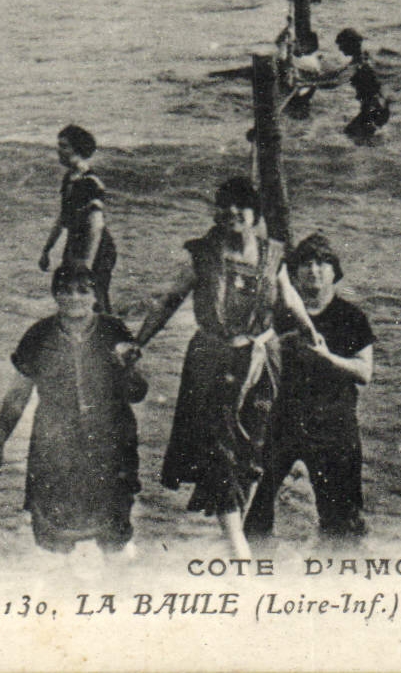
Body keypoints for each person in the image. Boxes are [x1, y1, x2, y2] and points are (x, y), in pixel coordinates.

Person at [134, 177, 321, 559]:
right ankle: (240, 552)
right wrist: (140, 341)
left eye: (241, 206)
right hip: (213, 359)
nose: (232, 213)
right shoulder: (203, 254)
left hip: (262, 360)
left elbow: (288, 298)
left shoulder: (273, 255)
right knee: (220, 448)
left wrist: (311, 329)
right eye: (224, 206)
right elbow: (169, 300)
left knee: (254, 445)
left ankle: (234, 531)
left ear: (255, 215)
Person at [0, 265, 147, 556]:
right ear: (54, 294)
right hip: (56, 448)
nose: (74, 298)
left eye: (83, 291)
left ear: (96, 294)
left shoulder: (114, 331)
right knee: (54, 537)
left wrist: (128, 367)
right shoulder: (39, 335)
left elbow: (138, 393)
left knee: (114, 533)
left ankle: (119, 592)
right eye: (65, 291)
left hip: (109, 445)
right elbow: (16, 397)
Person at [245, 234, 375, 545]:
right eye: (306, 264)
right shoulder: (281, 313)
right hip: (282, 422)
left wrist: (328, 359)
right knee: (254, 518)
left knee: (341, 524)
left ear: (334, 272)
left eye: (322, 263)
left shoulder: (350, 317)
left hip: (333, 426)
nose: (313, 270)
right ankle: (259, 579)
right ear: (294, 272)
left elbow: (364, 372)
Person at [39, 125, 117, 313]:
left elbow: (96, 226)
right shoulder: (70, 178)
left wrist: (88, 266)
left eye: (64, 146)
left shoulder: (89, 182)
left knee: (94, 297)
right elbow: (62, 218)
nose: (59, 150)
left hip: (96, 246)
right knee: (69, 293)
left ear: (77, 149)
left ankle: (112, 337)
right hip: (76, 244)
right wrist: (47, 250)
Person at [334, 28, 390, 139]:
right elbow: (338, 72)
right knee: (357, 138)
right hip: (380, 107)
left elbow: (336, 82)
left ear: (350, 44)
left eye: (341, 45)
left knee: (351, 136)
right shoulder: (364, 58)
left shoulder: (356, 65)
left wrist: (312, 83)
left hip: (372, 109)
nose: (340, 49)